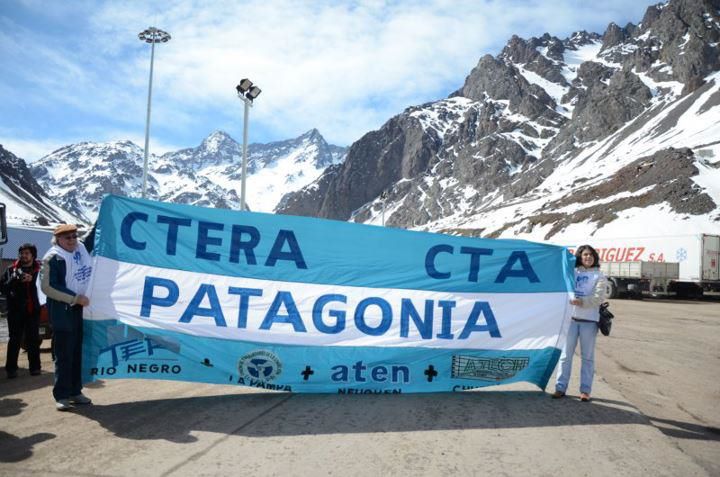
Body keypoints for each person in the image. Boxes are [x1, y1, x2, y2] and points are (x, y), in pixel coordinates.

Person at [40, 224, 93, 411]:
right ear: (58, 240)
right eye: (67, 237)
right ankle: (62, 395)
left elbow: (94, 236)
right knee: (64, 355)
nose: (71, 240)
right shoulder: (53, 258)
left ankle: (75, 391)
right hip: (63, 312)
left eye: (73, 236)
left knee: (77, 352)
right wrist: (75, 298)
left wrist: (107, 208)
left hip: (80, 310)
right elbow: (48, 287)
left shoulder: (80, 248)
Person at [553, 244, 607, 402]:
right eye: (585, 255)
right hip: (570, 320)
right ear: (579, 257)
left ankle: (585, 390)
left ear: (594, 257)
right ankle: (560, 387)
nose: (588, 257)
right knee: (565, 356)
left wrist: (580, 301)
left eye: (591, 255)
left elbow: (598, 298)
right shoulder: (572, 273)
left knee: (587, 357)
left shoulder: (600, 276)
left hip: (589, 322)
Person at [1, 243, 42, 378]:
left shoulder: (40, 270)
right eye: (22, 253)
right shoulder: (11, 269)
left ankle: (35, 368)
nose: (24, 256)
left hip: (32, 310)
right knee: (14, 340)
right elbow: (3, 288)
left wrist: (33, 280)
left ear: (33, 255)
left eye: (27, 253)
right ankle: (11, 369)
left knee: (33, 339)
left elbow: (45, 288)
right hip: (15, 310)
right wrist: (14, 280)